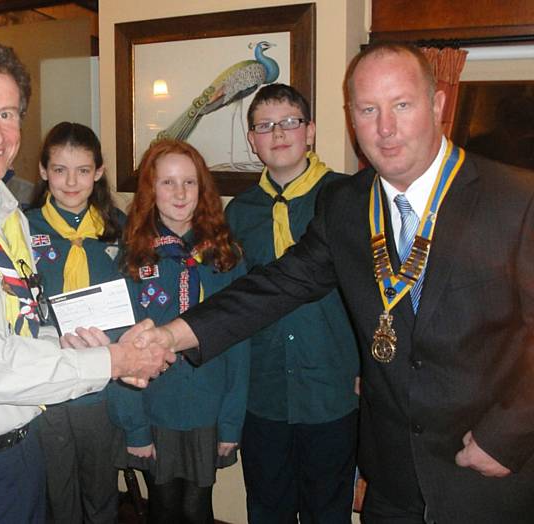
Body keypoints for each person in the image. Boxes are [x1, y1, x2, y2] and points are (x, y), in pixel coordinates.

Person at [128, 42, 534, 523]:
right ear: (351, 118)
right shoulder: (347, 205)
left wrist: (510, 433)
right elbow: (275, 286)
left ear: (438, 105)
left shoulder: (517, 199)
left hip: (486, 471)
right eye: (368, 110)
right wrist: (170, 334)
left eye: (401, 105)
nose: (385, 127)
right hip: (391, 480)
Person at [0, 39, 170, 524]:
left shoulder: (7, 216)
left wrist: (89, 351)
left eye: (7, 114)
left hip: (19, 453)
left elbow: (25, 327)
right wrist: (109, 360)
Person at [225, 83, 359, 523]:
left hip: (332, 389)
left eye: (289, 122)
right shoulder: (239, 212)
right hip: (263, 393)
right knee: (267, 508)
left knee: (328, 511)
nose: (278, 134)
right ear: (252, 141)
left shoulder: (350, 197)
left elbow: (374, 294)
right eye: (264, 126)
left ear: (311, 131)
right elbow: (232, 302)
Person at [109, 139, 250, 524]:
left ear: (202, 188)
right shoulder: (132, 258)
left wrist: (231, 421)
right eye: (168, 182)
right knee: (165, 508)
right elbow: (118, 349)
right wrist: (136, 428)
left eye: (189, 182)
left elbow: (239, 345)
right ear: (151, 190)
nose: (180, 193)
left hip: (210, 408)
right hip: (155, 409)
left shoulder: (226, 255)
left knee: (199, 508)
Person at [25, 122, 125, 523]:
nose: (71, 181)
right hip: (45, 383)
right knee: (56, 494)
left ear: (98, 172)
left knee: (102, 493)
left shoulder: (117, 227)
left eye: (83, 170)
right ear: (43, 170)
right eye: (60, 169)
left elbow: (133, 301)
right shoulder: (22, 227)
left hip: (99, 384)